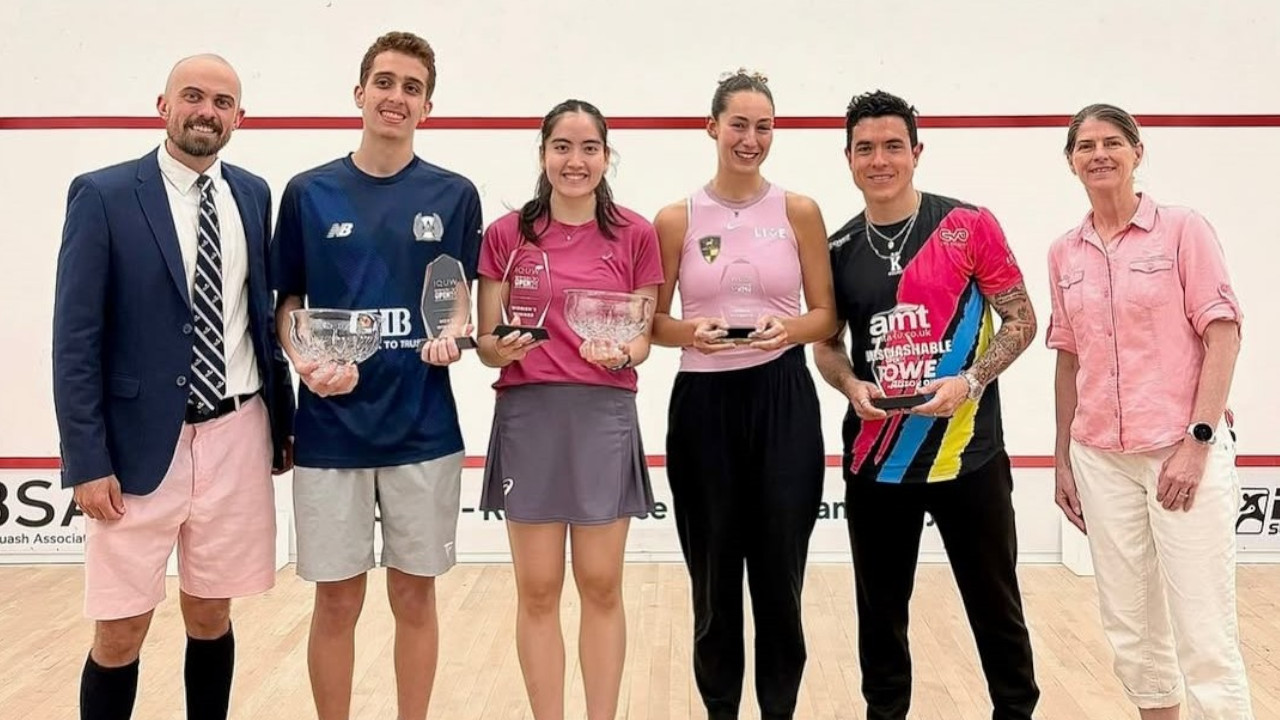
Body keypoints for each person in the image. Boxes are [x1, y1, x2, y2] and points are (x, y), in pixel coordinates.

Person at [51, 54, 295, 720]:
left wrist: (284, 423)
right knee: (121, 629)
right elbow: (75, 339)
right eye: (194, 96)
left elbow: (258, 316)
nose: (206, 112)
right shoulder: (101, 195)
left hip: (237, 433)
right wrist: (86, 458)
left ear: (239, 119)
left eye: (222, 102)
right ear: (163, 104)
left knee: (211, 613)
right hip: (135, 448)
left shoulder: (252, 193)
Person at [268, 31, 482, 720]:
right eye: (385, 82)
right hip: (330, 432)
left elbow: (455, 295)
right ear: (359, 93)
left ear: (429, 107)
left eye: (412, 87)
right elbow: (289, 304)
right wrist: (303, 359)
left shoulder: (454, 195)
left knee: (415, 595)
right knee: (337, 599)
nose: (397, 97)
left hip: (424, 428)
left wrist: (453, 334)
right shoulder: (307, 192)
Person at [813, 90, 1041, 720]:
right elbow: (828, 348)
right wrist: (849, 386)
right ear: (849, 158)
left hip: (970, 457)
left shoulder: (969, 225)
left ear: (916, 152)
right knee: (880, 622)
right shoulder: (835, 250)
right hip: (877, 463)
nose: (879, 159)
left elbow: (1021, 318)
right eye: (866, 148)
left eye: (893, 146)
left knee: (996, 608)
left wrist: (969, 381)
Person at [1047, 103, 1253, 720]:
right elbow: (1068, 358)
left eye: (1113, 142)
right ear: (1071, 161)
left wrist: (1198, 441)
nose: (1099, 154)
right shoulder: (1065, 252)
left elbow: (1224, 334)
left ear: (1138, 152)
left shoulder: (1184, 229)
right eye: (1086, 146)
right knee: (1132, 631)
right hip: (1100, 460)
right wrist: (1062, 459)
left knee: (1204, 633)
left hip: (1180, 451)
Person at [650, 69, 836, 720]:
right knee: (714, 578)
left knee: (781, 579)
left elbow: (826, 315)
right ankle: (721, 712)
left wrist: (786, 328)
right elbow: (652, 322)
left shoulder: (799, 211)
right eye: (739, 124)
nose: (751, 138)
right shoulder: (675, 219)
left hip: (783, 398)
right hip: (703, 408)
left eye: (763, 127)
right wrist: (690, 333)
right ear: (712, 128)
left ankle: (779, 712)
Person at [474, 98, 663, 720]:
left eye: (589, 148)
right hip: (529, 417)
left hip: (603, 416)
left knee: (602, 585)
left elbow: (642, 336)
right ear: (543, 154)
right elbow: (487, 344)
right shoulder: (507, 235)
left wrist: (622, 353)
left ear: (607, 157)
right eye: (562, 147)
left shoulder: (636, 234)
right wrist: (496, 347)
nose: (575, 161)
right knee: (538, 588)